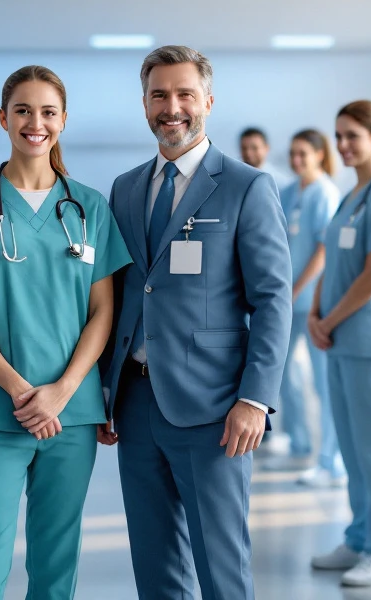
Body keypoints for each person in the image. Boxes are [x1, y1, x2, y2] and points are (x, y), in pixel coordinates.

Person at [0, 65, 131, 600]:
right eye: (23, 111)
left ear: (63, 121)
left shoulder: (89, 207)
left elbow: (103, 312)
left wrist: (60, 392)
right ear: (3, 119)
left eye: (48, 112)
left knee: (57, 565)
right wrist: (20, 390)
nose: (36, 122)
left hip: (71, 412)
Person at [103, 46, 292, 600]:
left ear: (208, 101)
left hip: (215, 408)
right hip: (136, 405)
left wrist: (255, 399)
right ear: (144, 105)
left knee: (221, 565)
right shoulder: (127, 188)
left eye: (185, 94)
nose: (172, 107)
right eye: (159, 95)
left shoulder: (245, 186)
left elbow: (274, 300)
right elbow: (120, 294)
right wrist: (105, 391)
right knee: (154, 563)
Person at [309, 100, 371, 588]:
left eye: (353, 136)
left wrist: (329, 317)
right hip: (339, 336)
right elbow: (333, 261)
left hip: (368, 338)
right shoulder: (353, 196)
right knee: (351, 445)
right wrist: (314, 311)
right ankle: (360, 536)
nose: (344, 145)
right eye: (339, 136)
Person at [277, 129, 346, 488]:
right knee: (282, 373)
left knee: (323, 381)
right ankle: (299, 440)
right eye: (293, 153)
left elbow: (323, 251)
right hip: (286, 302)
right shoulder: (288, 192)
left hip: (313, 301)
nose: (297, 159)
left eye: (304, 153)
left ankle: (331, 460)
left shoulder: (325, 193)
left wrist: (295, 290)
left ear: (320, 155)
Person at [239, 126, 293, 191]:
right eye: (244, 148)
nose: (248, 153)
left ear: (266, 148)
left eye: (254, 148)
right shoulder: (233, 179)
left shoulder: (281, 183)